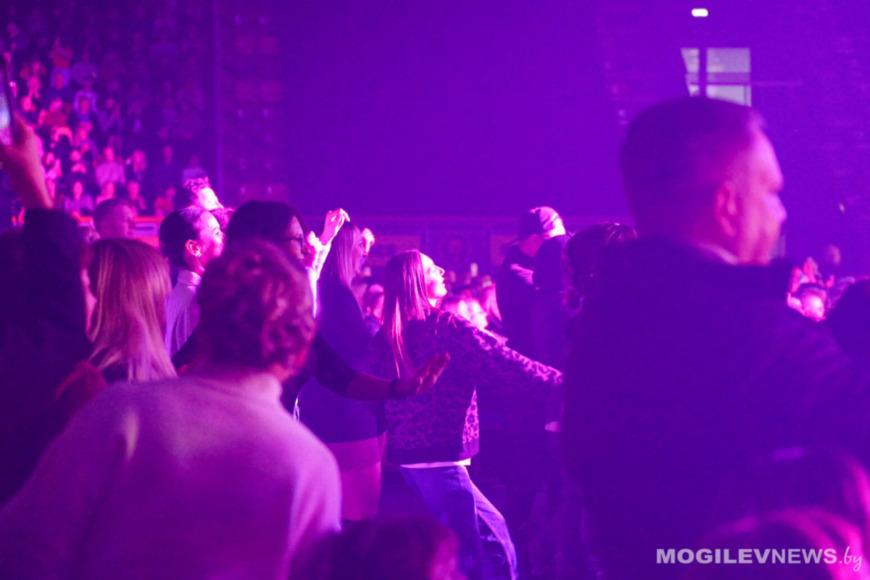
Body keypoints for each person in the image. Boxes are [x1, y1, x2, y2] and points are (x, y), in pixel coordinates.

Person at [561, 96, 870, 580]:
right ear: (727, 205)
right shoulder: (746, 331)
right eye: (771, 193)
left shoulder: (611, 317)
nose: (781, 214)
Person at [0, 241, 342, 579]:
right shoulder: (309, 464)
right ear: (301, 352)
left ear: (200, 321)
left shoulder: (122, 413)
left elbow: (29, 545)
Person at [368, 250, 562, 580]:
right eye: (433, 269)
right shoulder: (444, 327)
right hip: (441, 458)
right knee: (481, 550)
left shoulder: (387, 335)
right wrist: (563, 383)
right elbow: (503, 364)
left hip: (410, 459)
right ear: (416, 281)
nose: (442, 271)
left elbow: (374, 396)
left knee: (482, 540)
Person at [297, 221, 386, 523]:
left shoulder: (329, 290)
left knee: (333, 513)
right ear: (346, 250)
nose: (365, 254)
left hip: (327, 407)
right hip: (346, 411)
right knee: (360, 514)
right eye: (360, 247)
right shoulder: (336, 294)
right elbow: (357, 353)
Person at [159, 208, 224, 357]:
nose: (224, 238)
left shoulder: (181, 293)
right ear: (194, 248)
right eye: (217, 233)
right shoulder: (194, 300)